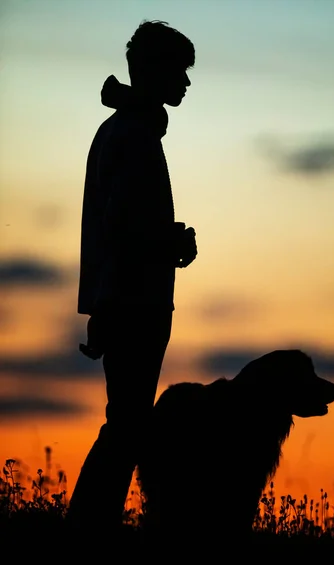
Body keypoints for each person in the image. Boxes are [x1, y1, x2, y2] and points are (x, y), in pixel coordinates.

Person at [68, 20, 197, 530]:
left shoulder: (128, 129)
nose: (186, 83)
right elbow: (122, 227)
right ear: (153, 71)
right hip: (133, 305)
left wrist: (168, 242)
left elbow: (124, 224)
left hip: (127, 300)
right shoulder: (132, 134)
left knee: (127, 424)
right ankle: (88, 527)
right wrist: (171, 242)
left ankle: (91, 525)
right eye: (180, 72)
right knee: (126, 426)